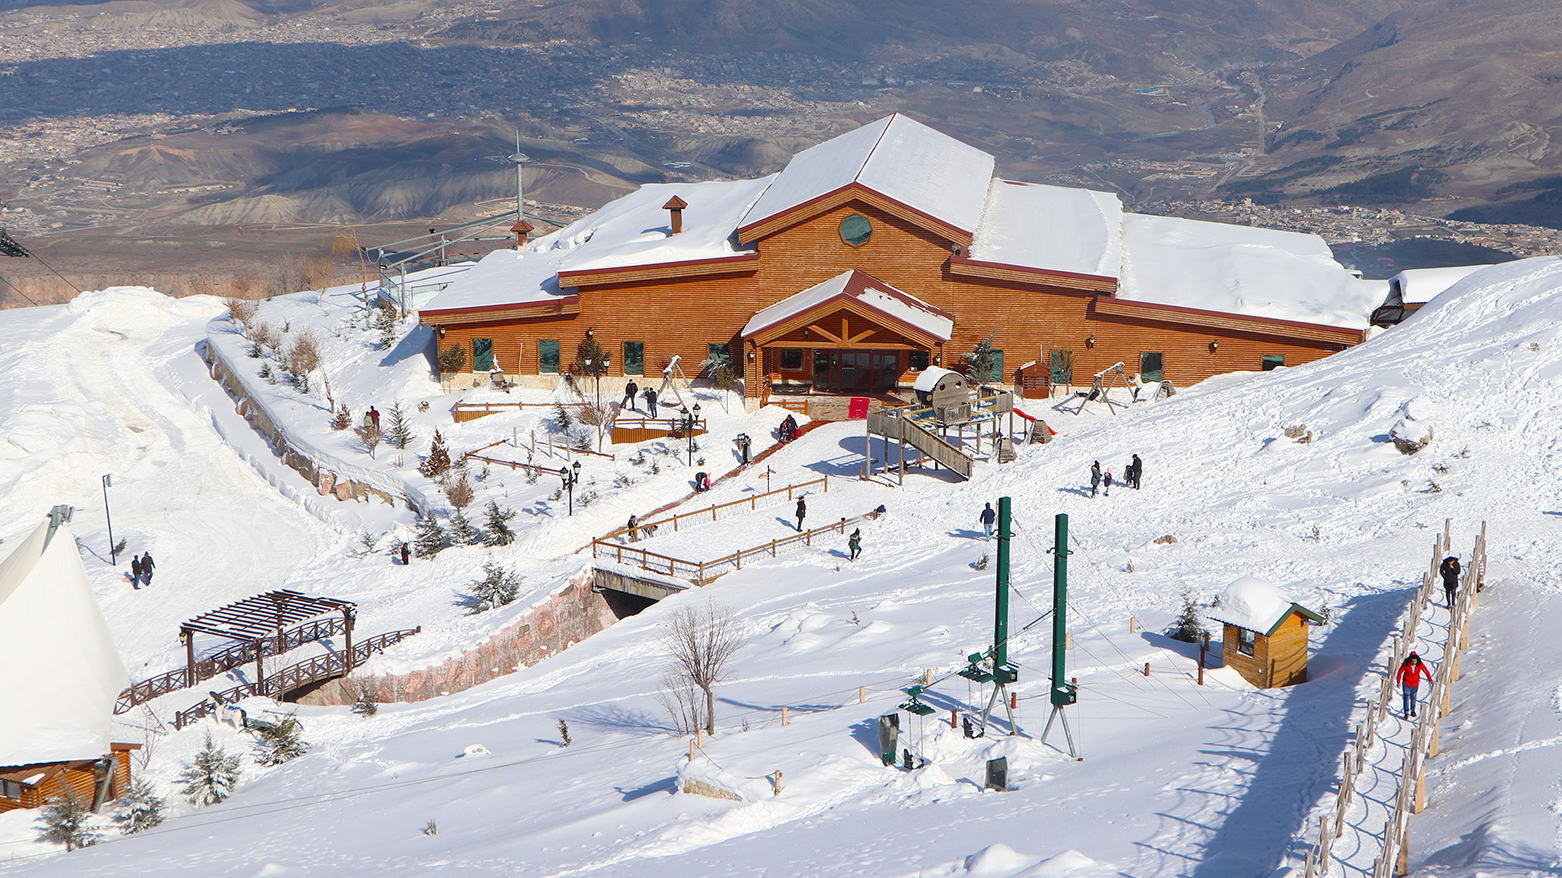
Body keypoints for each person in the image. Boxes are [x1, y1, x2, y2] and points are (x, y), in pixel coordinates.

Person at [1397, 652, 1431, 719]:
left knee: (1414, 697)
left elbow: (1425, 670)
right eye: (1412, 661)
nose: (1413, 662)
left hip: (1415, 684)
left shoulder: (1419, 664)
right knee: (1406, 697)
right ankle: (1406, 712)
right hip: (1407, 683)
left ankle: (1413, 710)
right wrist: (1398, 681)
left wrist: (1430, 679)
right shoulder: (1406, 664)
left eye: (1415, 661)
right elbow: (1400, 672)